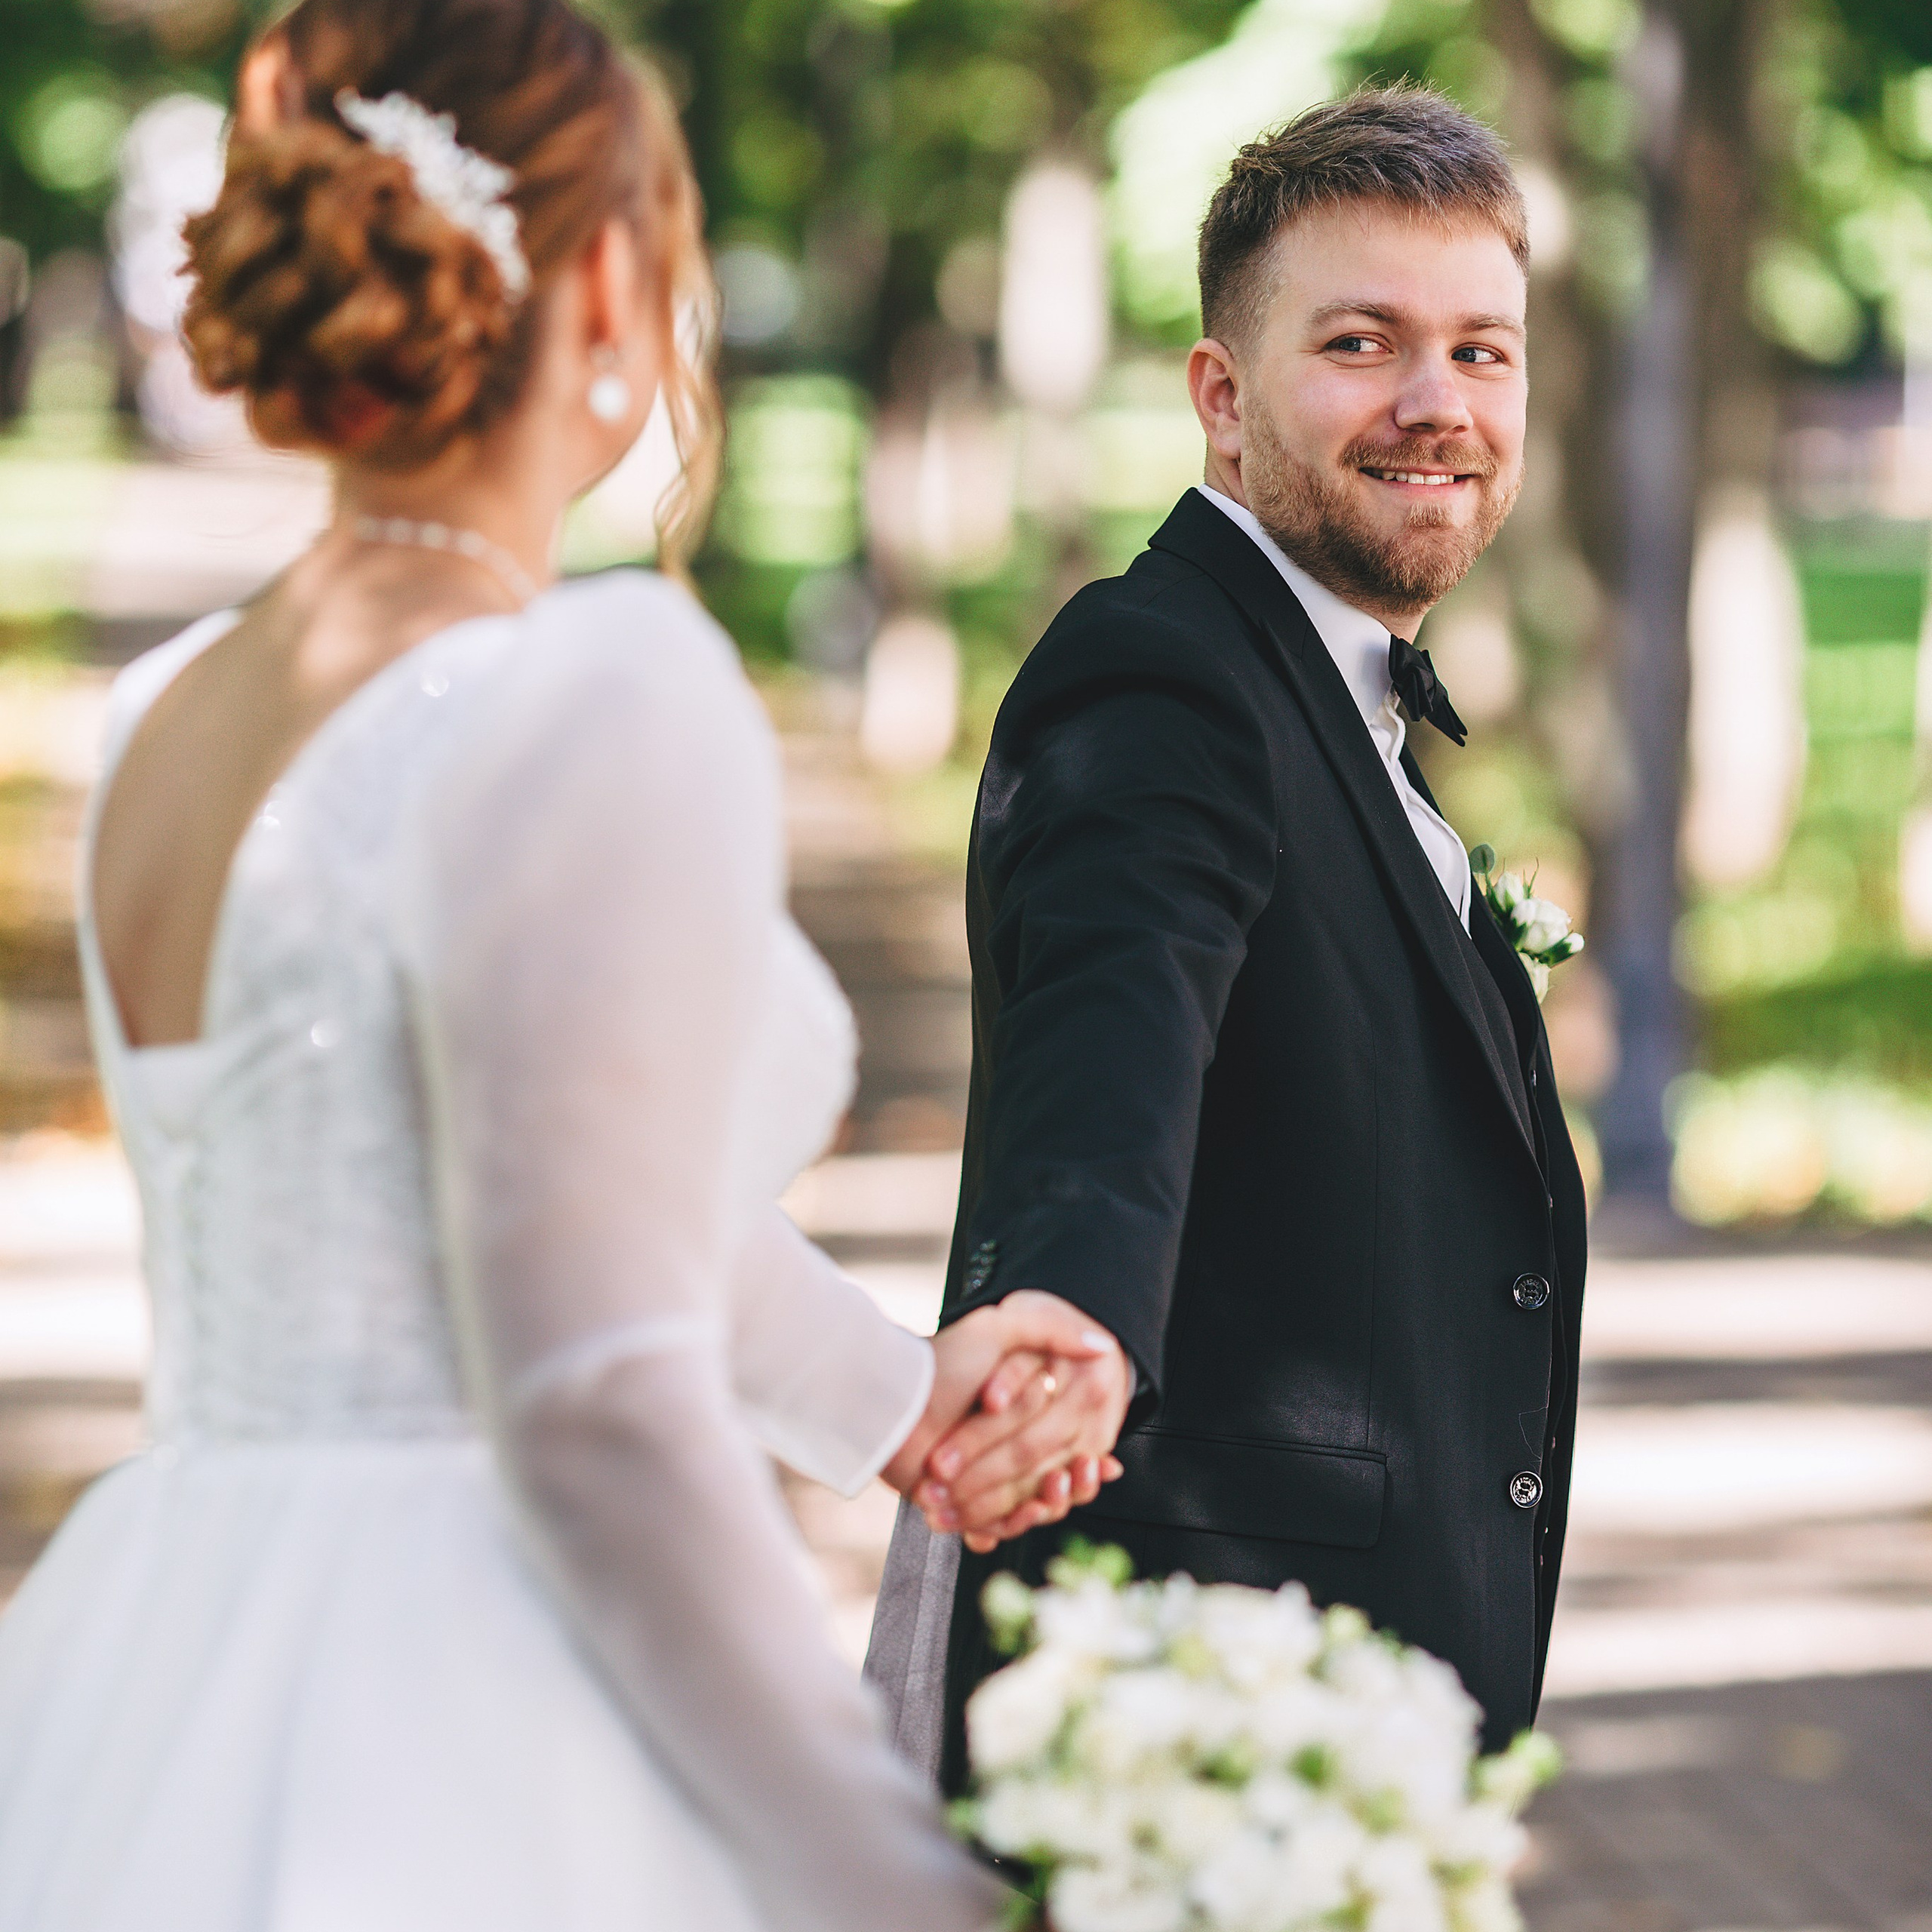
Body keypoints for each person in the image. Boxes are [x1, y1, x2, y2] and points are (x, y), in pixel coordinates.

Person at [0, 4, 1127, 1926]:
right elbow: (596, 1394)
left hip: (172, 1651)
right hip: (474, 1685)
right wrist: (882, 1868)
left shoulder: (164, 717)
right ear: (611, 273)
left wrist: (891, 1399)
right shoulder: (591, 685)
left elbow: (518, 1188)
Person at [866, 86, 1589, 1790]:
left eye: (1480, 352)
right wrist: (1064, 1303)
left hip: (1340, 1694)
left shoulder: (1339, 704)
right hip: (1188, 1686)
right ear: (1219, 396)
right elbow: (1119, 1029)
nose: (1435, 403)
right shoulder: (1164, 677)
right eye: (1360, 342)